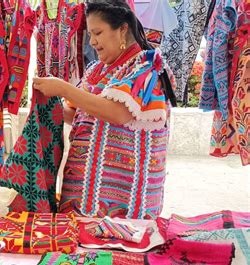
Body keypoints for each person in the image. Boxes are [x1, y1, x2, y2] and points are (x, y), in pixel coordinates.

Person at [33, 0, 176, 219]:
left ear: (122, 29)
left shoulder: (145, 67)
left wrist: (64, 89)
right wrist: (49, 104)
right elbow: (80, 114)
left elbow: (117, 113)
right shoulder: (96, 69)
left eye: (98, 33)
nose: (93, 42)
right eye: (90, 34)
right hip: (84, 193)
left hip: (125, 199)